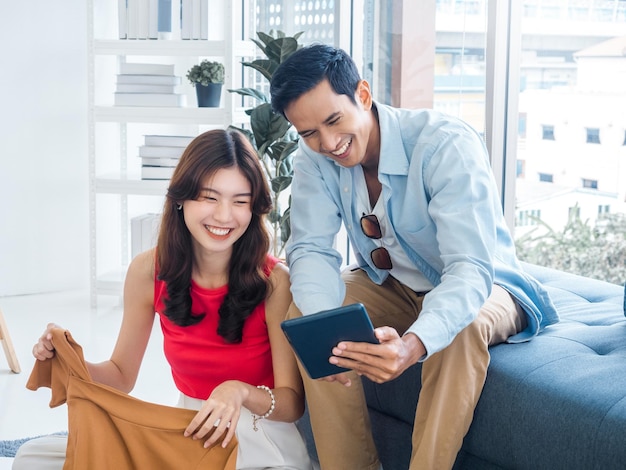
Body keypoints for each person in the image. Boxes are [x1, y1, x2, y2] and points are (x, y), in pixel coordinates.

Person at [269, 44, 559, 470]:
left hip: (488, 284)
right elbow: (311, 247)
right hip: (395, 287)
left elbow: (469, 269)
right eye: (309, 132)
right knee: (313, 315)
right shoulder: (313, 158)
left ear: (362, 95)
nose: (328, 143)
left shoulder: (445, 144)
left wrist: (412, 346)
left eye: (334, 120)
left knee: (460, 328)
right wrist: (327, 331)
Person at [13, 129, 312, 470]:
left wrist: (239, 391)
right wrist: (67, 358)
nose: (224, 216)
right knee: (32, 458)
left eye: (240, 201)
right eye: (209, 197)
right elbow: (120, 375)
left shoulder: (274, 282)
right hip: (188, 434)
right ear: (182, 198)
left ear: (254, 208)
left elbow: (292, 403)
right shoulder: (147, 271)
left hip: (262, 441)